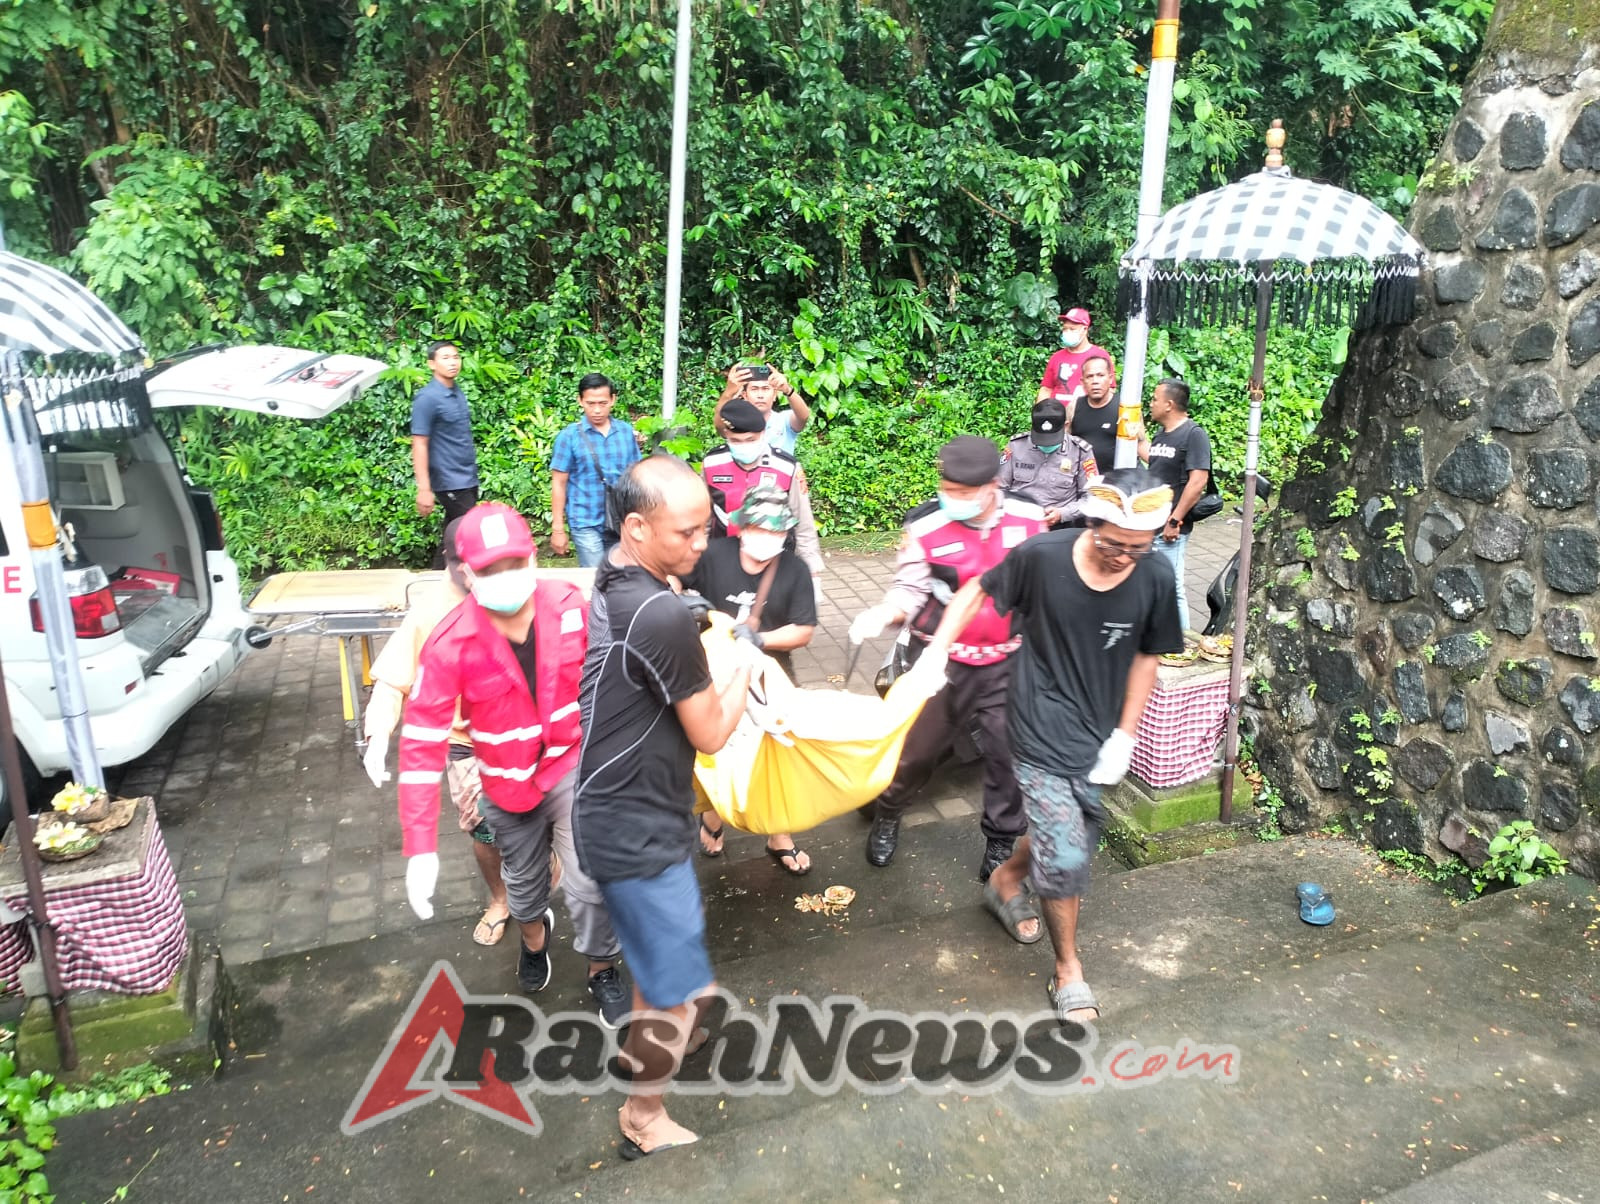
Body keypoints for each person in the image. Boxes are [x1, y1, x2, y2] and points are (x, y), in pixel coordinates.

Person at [929, 468, 1184, 1025]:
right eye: (1113, 542)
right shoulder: (1043, 557)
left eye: (1137, 548)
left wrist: (1125, 733)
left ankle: (1007, 877)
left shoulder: (1155, 575)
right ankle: (1068, 969)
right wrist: (935, 654)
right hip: (1036, 722)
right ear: (1091, 522)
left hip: (1099, 730)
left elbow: (1147, 654)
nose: (1123, 556)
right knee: (1067, 854)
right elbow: (977, 589)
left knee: (1063, 838)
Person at [574, 454, 762, 1160]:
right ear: (635, 527)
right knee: (683, 992)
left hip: (622, 808)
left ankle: (669, 1015)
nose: (701, 545)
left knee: (677, 982)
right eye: (685, 534)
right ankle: (643, 1114)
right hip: (636, 828)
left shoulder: (622, 579)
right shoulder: (657, 613)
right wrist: (740, 668)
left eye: (705, 529)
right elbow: (711, 733)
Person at [395, 503, 631, 1028]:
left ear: (532, 557)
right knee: (522, 888)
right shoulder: (451, 641)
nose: (505, 578)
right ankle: (533, 940)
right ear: (466, 573)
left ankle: (601, 969)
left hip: (571, 770)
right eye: (489, 570)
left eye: (514, 563)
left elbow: (619, 673)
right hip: (504, 785)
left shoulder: (572, 607)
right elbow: (420, 743)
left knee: (591, 882)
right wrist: (418, 847)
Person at [847, 435, 1047, 881]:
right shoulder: (924, 527)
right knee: (913, 751)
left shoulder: (1030, 517)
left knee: (1006, 754)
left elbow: (1040, 582)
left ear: (993, 484)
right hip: (937, 663)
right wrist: (883, 613)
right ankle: (888, 812)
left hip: (1006, 660)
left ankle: (1000, 841)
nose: (950, 498)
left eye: (962, 492)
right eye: (946, 488)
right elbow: (910, 589)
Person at [362, 517, 514, 948]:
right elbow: (393, 680)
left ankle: (539, 881)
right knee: (485, 830)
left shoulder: (517, 590)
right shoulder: (431, 611)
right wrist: (377, 736)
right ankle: (500, 900)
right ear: (453, 563)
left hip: (531, 734)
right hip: (469, 745)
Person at [683, 484, 818, 875]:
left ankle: (779, 834)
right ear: (741, 528)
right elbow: (678, 585)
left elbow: (804, 629)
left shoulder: (794, 570)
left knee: (776, 756)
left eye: (776, 533)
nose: (767, 539)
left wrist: (761, 638)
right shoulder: (711, 556)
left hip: (769, 673)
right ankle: (712, 814)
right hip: (710, 669)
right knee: (710, 748)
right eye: (760, 530)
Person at [701, 398, 824, 578]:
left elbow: (802, 521)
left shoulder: (786, 467)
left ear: (763, 433)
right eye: (736, 440)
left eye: (750, 439)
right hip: (723, 563)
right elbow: (702, 518)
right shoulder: (712, 463)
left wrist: (810, 569)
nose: (743, 445)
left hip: (774, 563)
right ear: (726, 434)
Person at [1136, 378, 1212, 632]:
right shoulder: (1163, 434)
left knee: (1173, 586)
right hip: (1152, 524)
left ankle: (1180, 643)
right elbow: (1156, 460)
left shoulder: (1193, 434)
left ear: (1168, 404)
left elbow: (1198, 481)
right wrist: (1139, 440)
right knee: (1153, 583)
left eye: (1155, 399)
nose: (1151, 403)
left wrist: (1174, 520)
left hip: (1172, 528)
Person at [550, 373, 642, 567]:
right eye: (591, 403)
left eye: (602, 403)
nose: (597, 410)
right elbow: (559, 483)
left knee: (623, 575)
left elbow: (636, 475)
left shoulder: (625, 432)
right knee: (595, 578)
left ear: (613, 400)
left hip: (621, 520)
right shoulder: (569, 437)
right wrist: (558, 528)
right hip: (585, 520)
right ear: (580, 401)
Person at [410, 341, 480, 563]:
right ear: (432, 363)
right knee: (467, 533)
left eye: (456, 357)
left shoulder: (456, 392)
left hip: (466, 477)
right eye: (445, 358)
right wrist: (424, 488)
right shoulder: (427, 398)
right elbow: (419, 442)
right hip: (449, 480)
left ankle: (437, 581)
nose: (453, 362)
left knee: (453, 534)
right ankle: (458, 585)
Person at [999, 399, 1099, 528]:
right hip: (1019, 522)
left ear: (1066, 426)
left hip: (1061, 525)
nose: (1046, 444)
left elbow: (1092, 497)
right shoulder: (1016, 446)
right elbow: (999, 488)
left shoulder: (1080, 451)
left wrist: (1063, 513)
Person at [718, 362, 811, 456]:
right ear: (745, 395)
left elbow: (803, 416)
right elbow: (720, 426)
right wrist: (729, 392)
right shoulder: (736, 422)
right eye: (754, 389)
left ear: (774, 395)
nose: (760, 395)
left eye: (765, 389)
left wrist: (787, 390)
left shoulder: (783, 420)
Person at [1037, 308, 1115, 406]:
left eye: (1072, 329)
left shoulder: (1100, 356)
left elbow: (1110, 389)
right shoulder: (1056, 357)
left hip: (1087, 416)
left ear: (1085, 329)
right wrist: (1040, 416)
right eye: (1065, 329)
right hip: (1057, 416)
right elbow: (1046, 389)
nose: (1067, 332)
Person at [1070, 354, 1119, 470]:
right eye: (1090, 376)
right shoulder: (1073, 407)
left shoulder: (1124, 408)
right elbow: (1064, 443)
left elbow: (1140, 443)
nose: (1095, 381)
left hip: (1116, 478)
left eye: (1100, 375)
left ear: (1110, 378)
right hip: (1083, 477)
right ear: (1082, 381)